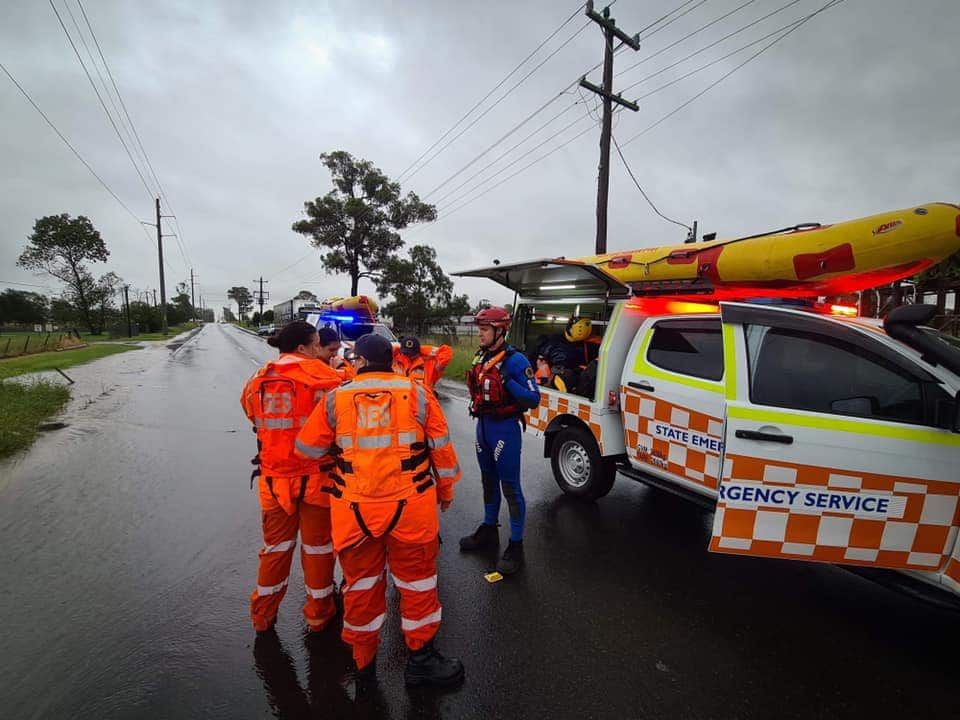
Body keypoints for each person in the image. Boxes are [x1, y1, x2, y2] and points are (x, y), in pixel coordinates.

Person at [295, 333, 465, 690]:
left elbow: (307, 449)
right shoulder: (418, 393)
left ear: (358, 361)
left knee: (360, 586)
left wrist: (341, 455)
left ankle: (363, 665)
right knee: (417, 584)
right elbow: (442, 451)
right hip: (411, 508)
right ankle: (420, 662)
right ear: (393, 360)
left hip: (352, 510)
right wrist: (445, 491)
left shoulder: (335, 397)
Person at [240, 320, 346, 636]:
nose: (320, 350)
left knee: (274, 551)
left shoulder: (258, 379)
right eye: (316, 345)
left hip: (274, 482)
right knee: (318, 551)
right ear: (303, 348)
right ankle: (319, 615)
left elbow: (251, 414)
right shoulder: (328, 377)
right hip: (317, 478)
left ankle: (262, 616)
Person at [459, 307, 541, 575]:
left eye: (484, 329)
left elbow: (533, 399)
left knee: (510, 488)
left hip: (505, 430)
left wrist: (508, 382)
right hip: (483, 428)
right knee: (487, 481)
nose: (479, 333)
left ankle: (516, 545)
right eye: (479, 328)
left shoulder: (516, 361)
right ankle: (488, 529)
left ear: (500, 331)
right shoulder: (482, 356)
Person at [532, 316, 600, 396]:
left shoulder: (589, 345)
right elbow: (536, 361)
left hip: (572, 384)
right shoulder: (551, 342)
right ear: (570, 328)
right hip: (550, 384)